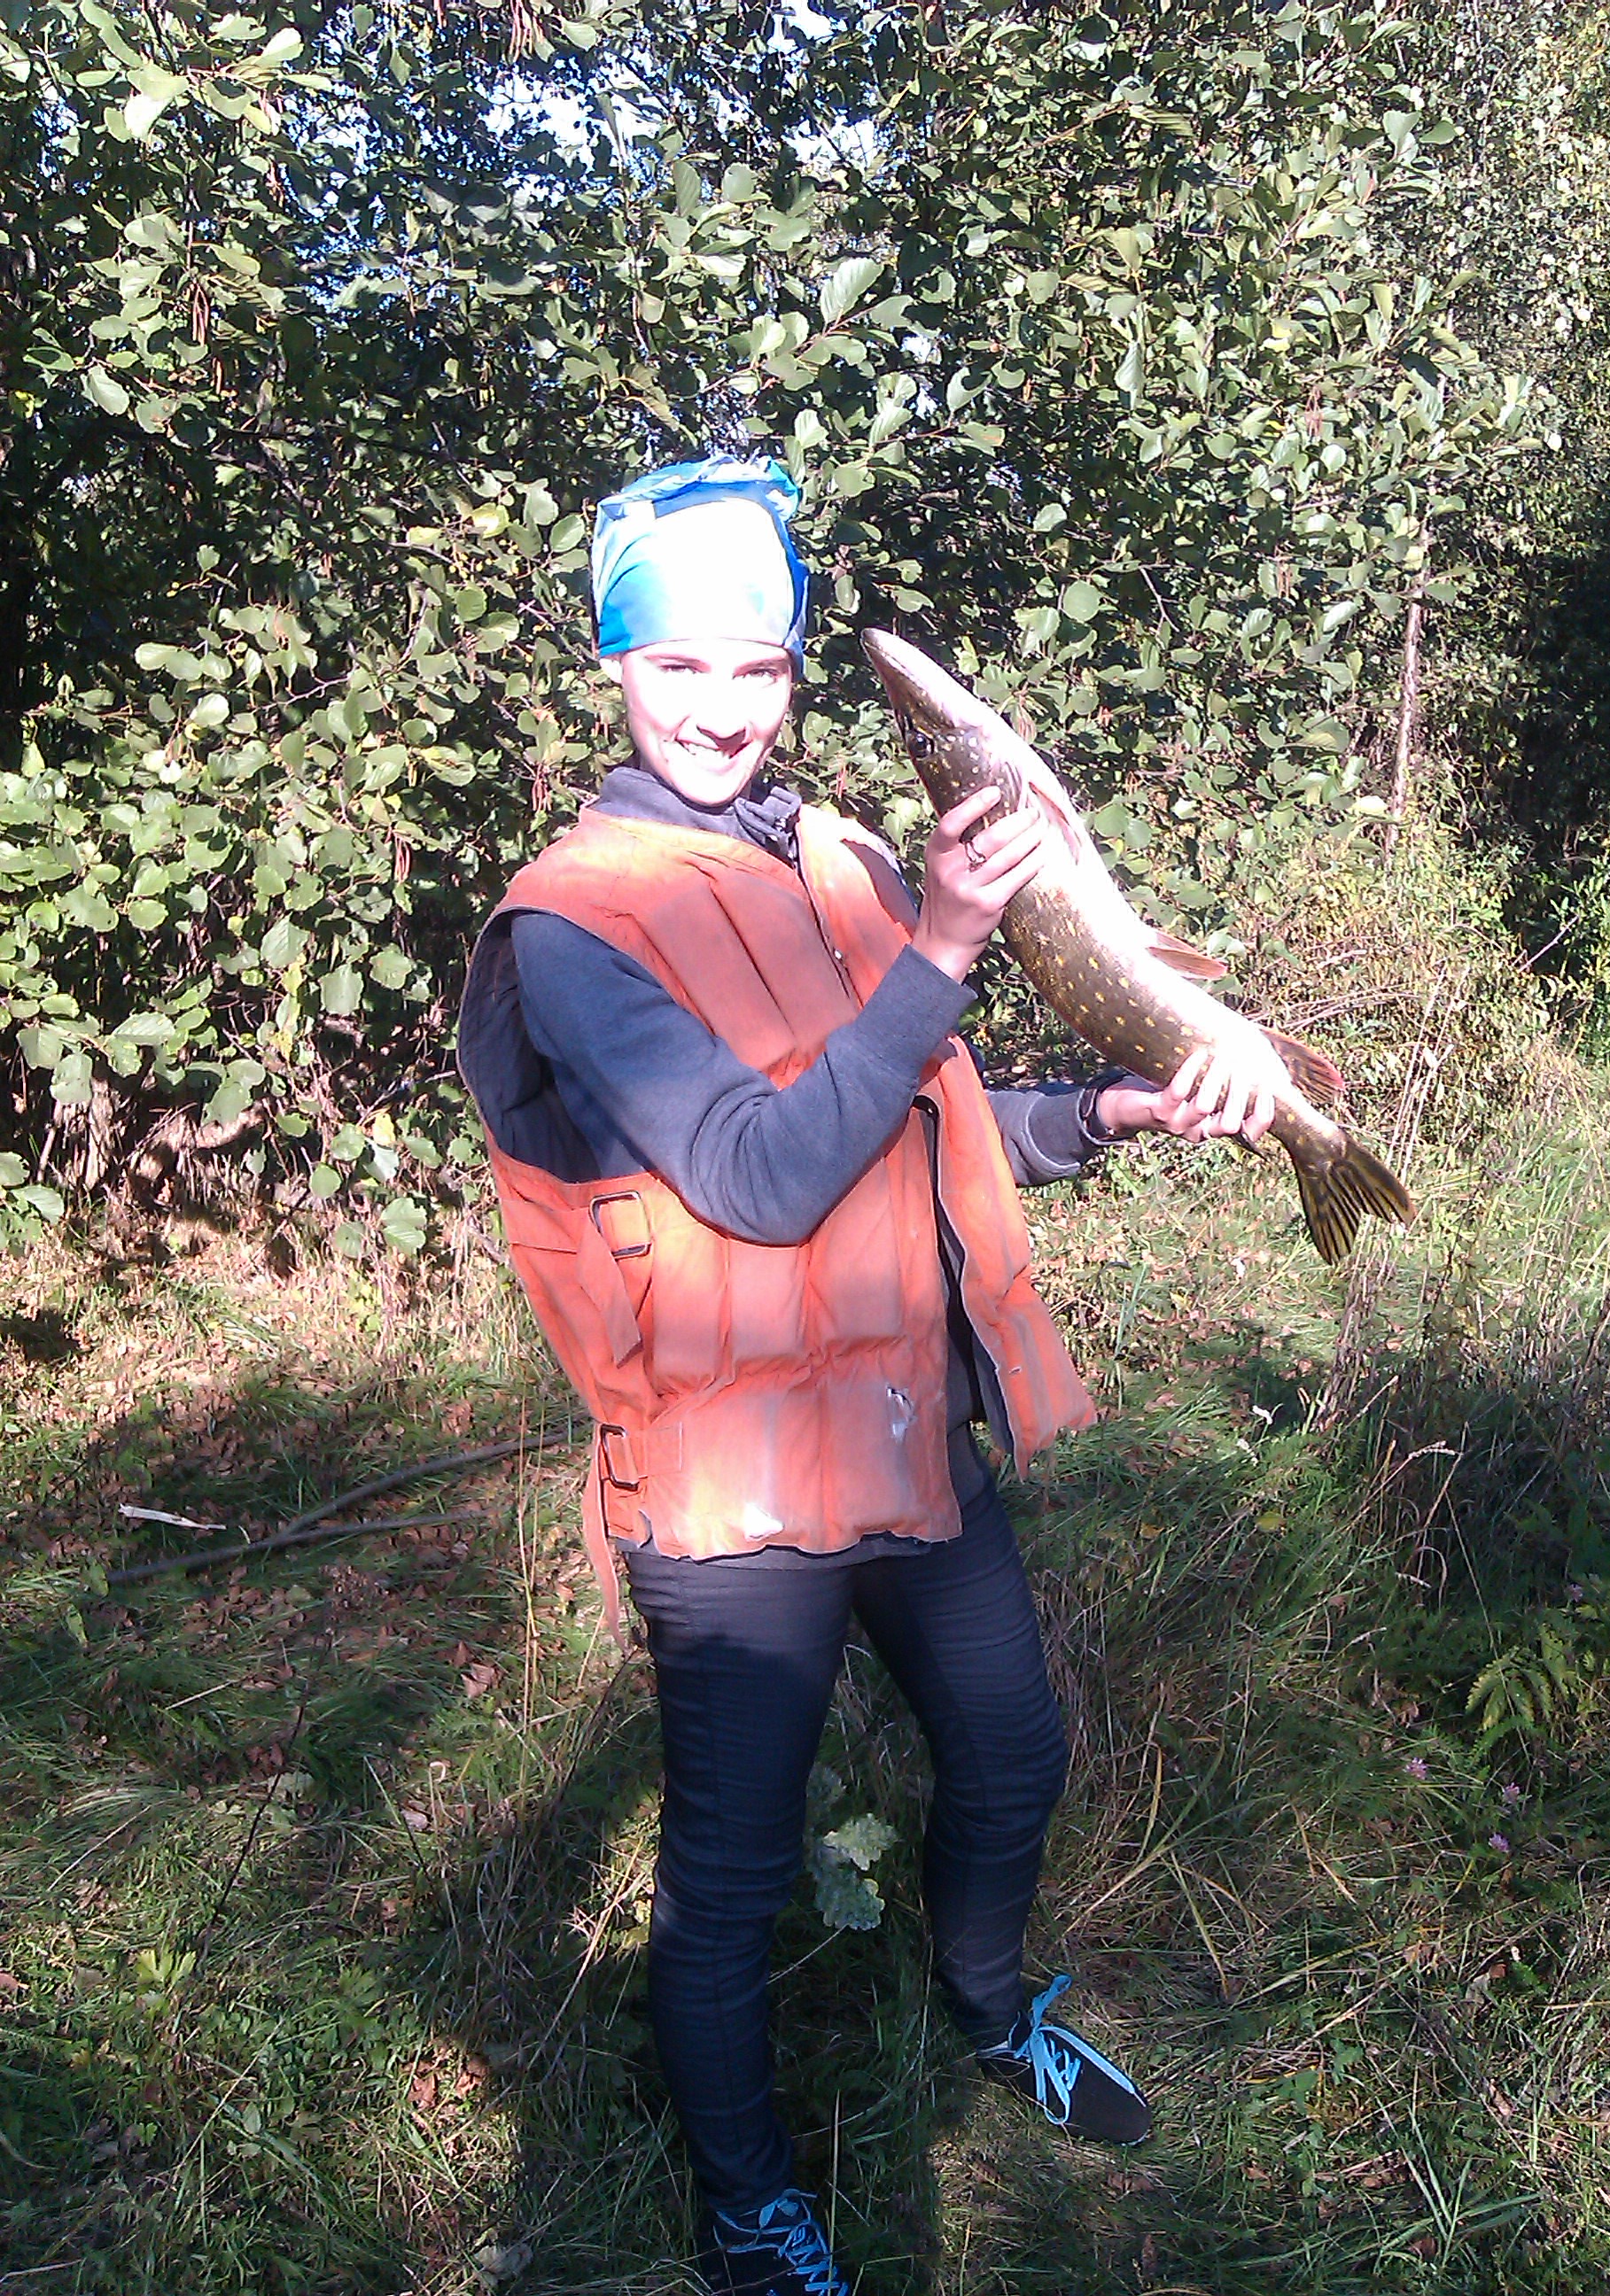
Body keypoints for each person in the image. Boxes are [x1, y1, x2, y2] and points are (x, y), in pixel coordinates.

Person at [457, 457, 1282, 2296]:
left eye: (755, 666)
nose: (720, 709)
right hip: (727, 1490)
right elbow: (759, 1175)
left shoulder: (836, 856)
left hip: (908, 1434)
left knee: (1012, 1752)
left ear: (794, 670)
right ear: (613, 668)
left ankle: (989, 2008)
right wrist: (952, 940)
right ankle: (751, 2204)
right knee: (734, 1868)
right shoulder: (575, 923)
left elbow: (926, 1110)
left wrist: (1119, 1109)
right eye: (677, 666)